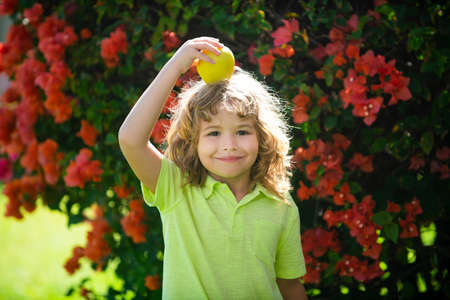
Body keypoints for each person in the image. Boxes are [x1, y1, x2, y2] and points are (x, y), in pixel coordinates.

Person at [118, 37, 308, 300]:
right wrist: (175, 66)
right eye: (213, 133)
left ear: (262, 137)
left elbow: (289, 287)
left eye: (242, 131)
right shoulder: (176, 188)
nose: (228, 145)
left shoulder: (280, 204)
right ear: (191, 141)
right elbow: (130, 140)